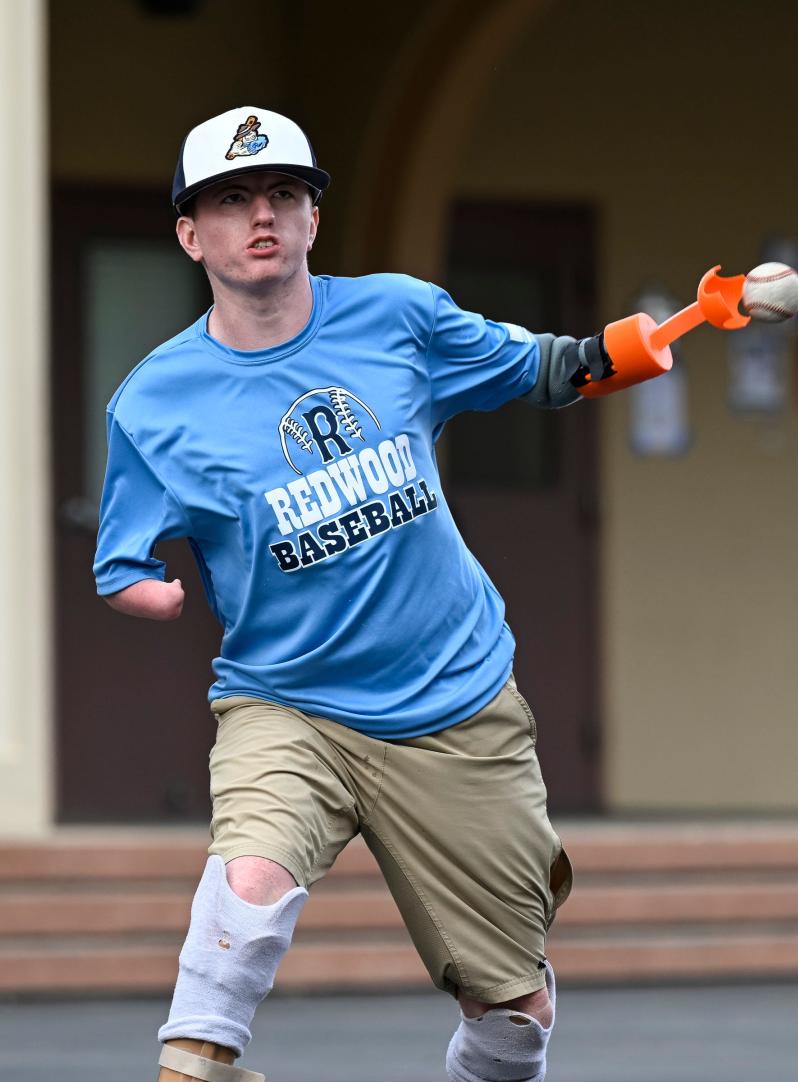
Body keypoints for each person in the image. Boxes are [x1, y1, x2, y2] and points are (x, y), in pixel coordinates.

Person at [95, 106, 612, 1082]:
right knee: (244, 895)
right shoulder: (154, 401)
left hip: (456, 697)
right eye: (233, 199)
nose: (262, 216)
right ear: (189, 232)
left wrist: (626, 348)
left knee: (515, 1017)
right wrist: (144, 593)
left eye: (284, 195)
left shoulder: (396, 315)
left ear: (311, 219)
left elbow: (540, 365)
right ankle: (196, 1056)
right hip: (287, 699)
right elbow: (118, 556)